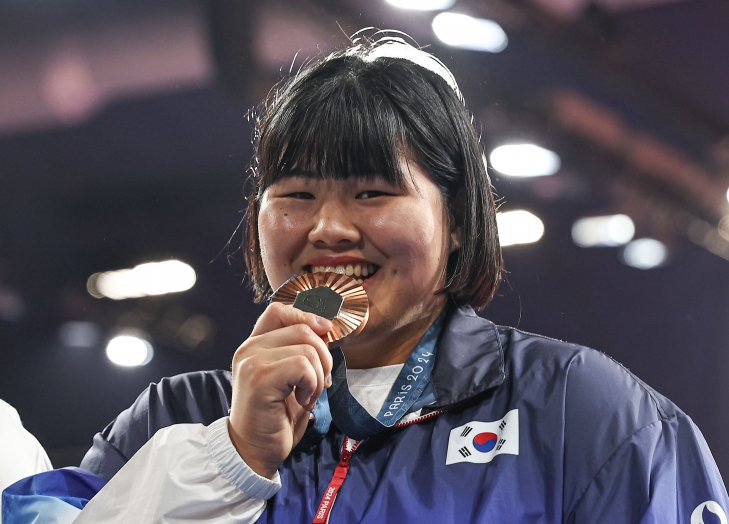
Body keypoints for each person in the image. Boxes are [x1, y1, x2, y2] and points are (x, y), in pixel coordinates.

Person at [6, 35, 728, 524]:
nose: (327, 228)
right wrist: (229, 461)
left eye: (372, 192)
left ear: (456, 220)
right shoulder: (173, 420)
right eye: (294, 194)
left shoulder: (583, 413)